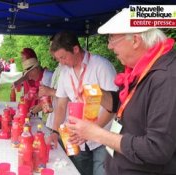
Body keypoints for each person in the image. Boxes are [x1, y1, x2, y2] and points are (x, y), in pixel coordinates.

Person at [67, 8, 176, 175]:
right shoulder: (144, 68)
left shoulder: (167, 78)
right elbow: (127, 104)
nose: (109, 46)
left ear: (135, 40)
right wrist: (100, 94)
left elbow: (157, 149)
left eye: (112, 39)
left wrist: (97, 133)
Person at [49, 31, 118, 175]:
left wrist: (92, 131)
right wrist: (55, 131)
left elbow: (114, 105)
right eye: (58, 59)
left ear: (75, 49)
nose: (61, 62)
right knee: (78, 171)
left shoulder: (101, 66)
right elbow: (61, 104)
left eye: (63, 57)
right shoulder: (65, 72)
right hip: (76, 137)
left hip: (102, 137)